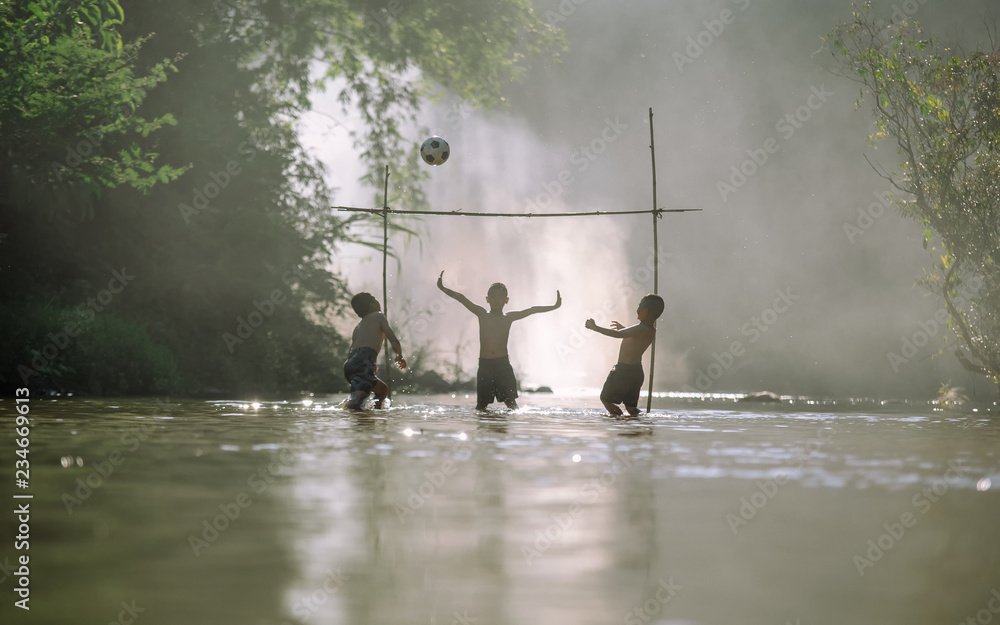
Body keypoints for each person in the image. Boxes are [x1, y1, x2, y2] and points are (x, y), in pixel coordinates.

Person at [437, 271, 561, 410]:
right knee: (481, 405)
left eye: (500, 298)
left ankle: (507, 429)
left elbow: (532, 310)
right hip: (485, 366)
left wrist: (554, 306)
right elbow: (462, 298)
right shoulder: (482, 314)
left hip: (503, 366)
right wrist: (443, 288)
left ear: (506, 300)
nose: (496, 301)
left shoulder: (508, 318)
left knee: (511, 404)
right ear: (487, 299)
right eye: (493, 297)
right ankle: (483, 431)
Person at [585, 293, 665, 416]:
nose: (636, 308)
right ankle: (641, 419)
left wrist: (595, 327)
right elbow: (634, 337)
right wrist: (624, 328)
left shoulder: (641, 328)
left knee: (605, 399)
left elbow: (618, 335)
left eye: (639, 306)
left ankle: (618, 419)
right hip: (636, 373)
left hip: (624, 372)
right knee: (631, 407)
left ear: (645, 311)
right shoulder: (650, 330)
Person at [343, 292, 406, 410]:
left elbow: (352, 350)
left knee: (382, 390)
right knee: (357, 400)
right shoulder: (378, 316)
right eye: (375, 299)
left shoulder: (358, 326)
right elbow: (394, 340)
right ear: (372, 304)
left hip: (350, 364)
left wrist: (370, 365)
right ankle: (351, 417)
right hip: (363, 361)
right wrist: (399, 356)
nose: (378, 302)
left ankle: (375, 412)